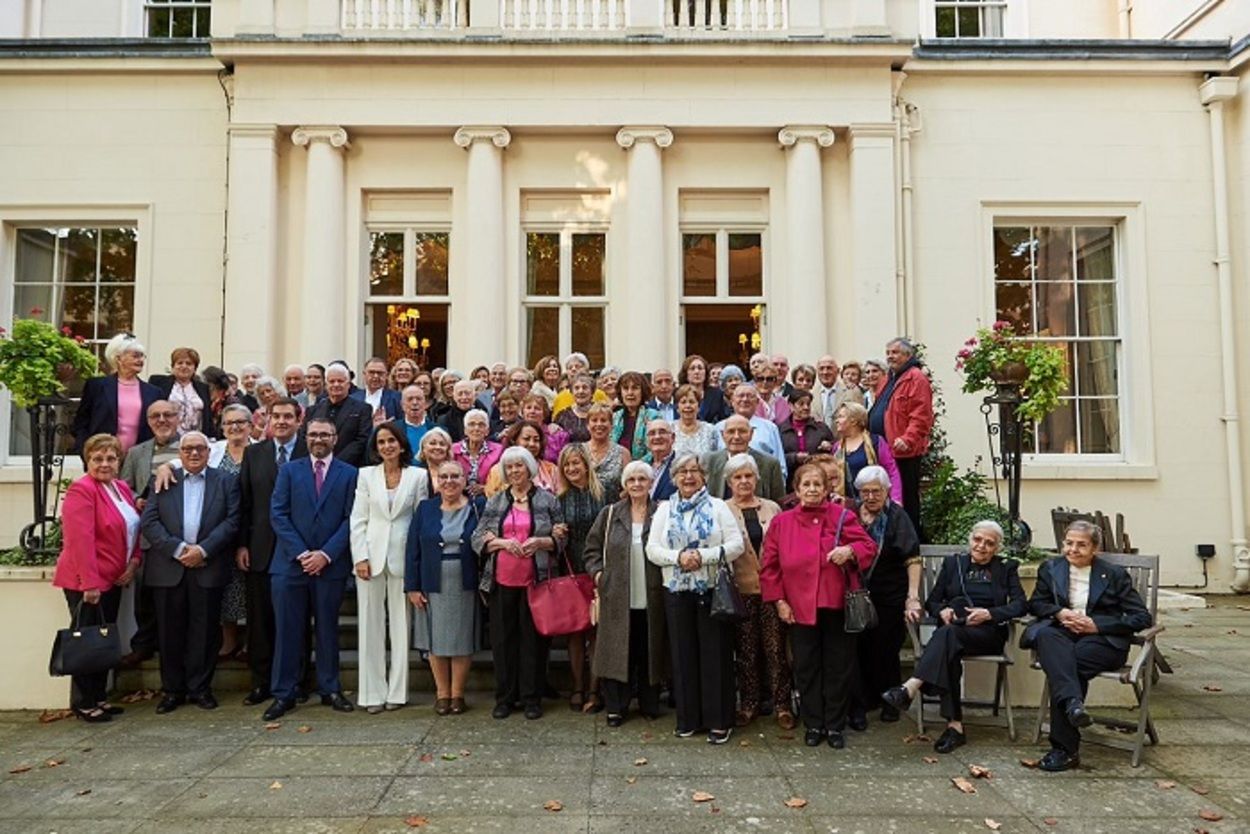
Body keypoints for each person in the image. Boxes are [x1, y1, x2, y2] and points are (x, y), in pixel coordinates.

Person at [882, 520, 1026, 753]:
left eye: (989, 543)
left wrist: (989, 613)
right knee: (949, 644)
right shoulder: (953, 564)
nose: (981, 546)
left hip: (987, 634)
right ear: (970, 539)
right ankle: (954, 727)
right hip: (954, 631)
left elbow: (1020, 605)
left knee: (946, 637)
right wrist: (943, 610)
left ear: (997, 547)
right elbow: (933, 601)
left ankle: (911, 687)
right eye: (977, 539)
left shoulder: (1006, 568)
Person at [759, 463, 876, 749]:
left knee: (839, 666)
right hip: (798, 606)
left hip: (836, 603)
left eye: (817, 484)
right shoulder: (781, 522)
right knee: (806, 666)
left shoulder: (843, 516)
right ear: (797, 490)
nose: (812, 489)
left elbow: (868, 547)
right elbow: (769, 567)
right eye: (806, 485)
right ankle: (813, 723)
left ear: (826, 489)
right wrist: (779, 601)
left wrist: (849, 550)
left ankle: (835, 725)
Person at [1026, 520, 1152, 772]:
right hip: (1063, 635)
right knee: (1048, 637)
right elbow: (1037, 604)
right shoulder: (1051, 568)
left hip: (1102, 642)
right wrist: (1060, 613)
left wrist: (1096, 625)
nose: (1073, 549)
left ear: (1095, 548)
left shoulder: (1114, 575)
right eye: (1068, 543)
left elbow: (1141, 617)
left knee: (1063, 667)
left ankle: (1064, 749)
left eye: (1081, 545)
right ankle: (1073, 705)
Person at [263, 417, 359, 721]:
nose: (319, 439)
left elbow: (352, 518)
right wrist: (304, 553)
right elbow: (278, 514)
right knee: (288, 631)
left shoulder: (349, 473)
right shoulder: (289, 471)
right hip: (290, 565)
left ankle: (330, 688)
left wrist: (326, 555)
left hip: (330, 566)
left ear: (335, 438)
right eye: (314, 434)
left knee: (328, 629)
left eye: (325, 434)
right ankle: (284, 693)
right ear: (306, 437)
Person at [139, 431, 240, 713]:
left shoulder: (226, 481)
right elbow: (149, 521)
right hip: (169, 568)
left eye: (200, 449)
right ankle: (172, 691)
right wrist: (180, 549)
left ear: (209, 452)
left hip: (208, 566)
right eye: (188, 449)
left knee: (205, 633)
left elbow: (233, 521)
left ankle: (200, 689)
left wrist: (203, 550)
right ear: (179, 454)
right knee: (169, 633)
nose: (194, 453)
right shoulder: (163, 479)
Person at [646, 453, 744, 744]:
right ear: (674, 478)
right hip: (677, 591)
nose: (688, 477)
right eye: (682, 472)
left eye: (694, 471)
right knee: (683, 655)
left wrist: (703, 556)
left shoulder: (718, 507)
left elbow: (736, 545)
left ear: (704, 476)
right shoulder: (664, 509)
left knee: (716, 655)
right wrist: (679, 557)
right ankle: (689, 719)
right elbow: (652, 549)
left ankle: (719, 721)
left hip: (712, 590)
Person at [52, 434, 141, 722]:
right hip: (87, 582)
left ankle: (99, 696)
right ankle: (83, 702)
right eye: (97, 458)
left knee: (103, 640)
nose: (104, 464)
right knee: (86, 641)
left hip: (114, 579)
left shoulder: (121, 488)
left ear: (119, 461)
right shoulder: (82, 490)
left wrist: (133, 563)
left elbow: (133, 528)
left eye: (110, 458)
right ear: (87, 460)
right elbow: (80, 541)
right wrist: (89, 583)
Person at [473, 447, 566, 720]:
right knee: (503, 641)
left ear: (529, 468)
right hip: (501, 580)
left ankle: (531, 698)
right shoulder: (496, 501)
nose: (514, 471)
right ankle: (505, 697)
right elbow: (477, 538)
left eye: (519, 466)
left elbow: (562, 537)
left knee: (533, 642)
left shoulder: (548, 500)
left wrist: (542, 541)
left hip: (536, 581)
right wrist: (501, 543)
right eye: (509, 467)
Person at [349, 422, 427, 714]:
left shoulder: (418, 476)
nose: (387, 446)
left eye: (391, 441)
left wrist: (416, 562)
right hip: (370, 557)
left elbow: (420, 522)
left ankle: (397, 691)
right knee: (369, 626)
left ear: (402, 444)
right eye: (381, 442)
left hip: (403, 558)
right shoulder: (365, 475)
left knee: (401, 626)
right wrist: (360, 557)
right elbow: (358, 519)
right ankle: (372, 693)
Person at [235, 397, 307, 706]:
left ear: (298, 420)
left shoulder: (309, 450)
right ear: (267, 420)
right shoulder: (254, 453)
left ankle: (297, 681)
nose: (281, 421)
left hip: (299, 549)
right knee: (260, 621)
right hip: (260, 548)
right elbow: (244, 501)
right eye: (275, 416)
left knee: (297, 619)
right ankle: (261, 682)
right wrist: (242, 543)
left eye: (287, 416)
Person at [585, 461, 667, 727]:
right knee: (616, 651)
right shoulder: (610, 514)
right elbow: (591, 550)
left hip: (652, 595)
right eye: (631, 480)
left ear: (651, 483)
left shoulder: (661, 513)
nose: (637, 484)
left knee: (649, 650)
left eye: (642, 479)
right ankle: (615, 707)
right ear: (624, 484)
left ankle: (649, 703)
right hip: (617, 595)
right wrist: (599, 575)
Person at [407, 461, 483, 716]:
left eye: (455, 476)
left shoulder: (477, 507)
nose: (449, 481)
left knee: (462, 638)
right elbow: (412, 549)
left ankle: (458, 694)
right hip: (432, 582)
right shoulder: (425, 508)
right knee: (435, 639)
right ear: (437, 481)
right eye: (444, 477)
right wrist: (412, 586)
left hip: (465, 582)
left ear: (465, 480)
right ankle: (442, 694)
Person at [723, 453, 792, 729]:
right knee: (746, 651)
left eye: (748, 476)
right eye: (738, 477)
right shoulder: (722, 509)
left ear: (757, 479)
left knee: (776, 649)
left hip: (772, 590)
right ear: (729, 481)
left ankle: (782, 704)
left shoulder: (772, 508)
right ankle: (749, 703)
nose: (744, 481)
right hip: (740, 591)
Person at [849, 466, 921, 729]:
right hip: (857, 593)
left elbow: (912, 558)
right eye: (865, 491)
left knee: (886, 648)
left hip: (890, 592)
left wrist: (912, 597)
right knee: (860, 647)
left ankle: (890, 701)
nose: (870, 497)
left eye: (876, 491)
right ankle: (866, 699)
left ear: (887, 490)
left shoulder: (897, 516)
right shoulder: (852, 514)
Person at [116, 400, 183, 668]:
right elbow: (123, 487)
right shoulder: (137, 452)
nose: (162, 420)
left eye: (168, 415)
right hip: (148, 534)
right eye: (155, 416)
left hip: (183, 534)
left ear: (178, 418)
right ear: (148, 421)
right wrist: (136, 500)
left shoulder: (192, 446)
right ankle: (143, 645)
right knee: (145, 593)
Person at [555, 443, 608, 712]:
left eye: (576, 463)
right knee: (575, 630)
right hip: (571, 569)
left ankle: (595, 690)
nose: (571, 468)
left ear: (587, 464)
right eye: (566, 465)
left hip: (599, 568)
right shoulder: (559, 498)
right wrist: (555, 531)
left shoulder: (604, 493)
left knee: (597, 630)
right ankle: (577, 686)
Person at [209, 403, 254, 658]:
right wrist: (166, 467)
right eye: (229, 423)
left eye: (240, 422)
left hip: (251, 528)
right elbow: (182, 459)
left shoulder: (261, 450)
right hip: (220, 529)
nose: (234, 427)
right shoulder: (213, 450)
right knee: (226, 586)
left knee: (250, 587)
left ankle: (250, 640)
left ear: (250, 425)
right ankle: (228, 640)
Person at [72, 332, 162, 454]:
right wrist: (85, 451)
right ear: (118, 359)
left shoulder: (154, 392)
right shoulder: (96, 386)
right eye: (135, 356)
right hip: (102, 456)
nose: (140, 360)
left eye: (142, 356)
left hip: (139, 458)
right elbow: (81, 423)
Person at [715, 383, 787, 485]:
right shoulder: (719, 428)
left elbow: (780, 466)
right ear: (732, 401)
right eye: (741, 396)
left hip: (761, 486)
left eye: (750, 396)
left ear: (757, 402)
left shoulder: (770, 428)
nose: (745, 399)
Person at [303, 363, 372, 467]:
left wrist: (334, 463)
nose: (336, 384)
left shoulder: (363, 409)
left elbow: (361, 440)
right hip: (316, 466)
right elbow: (305, 437)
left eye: (340, 381)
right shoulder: (313, 410)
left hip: (349, 466)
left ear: (348, 384)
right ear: (326, 385)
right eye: (332, 381)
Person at [704, 415, 785, 503]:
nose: (736, 437)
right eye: (731, 432)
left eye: (742, 431)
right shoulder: (709, 462)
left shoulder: (770, 464)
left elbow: (779, 503)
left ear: (751, 434)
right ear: (723, 435)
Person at [833, 402, 902, 504]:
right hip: (846, 504)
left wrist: (896, 499)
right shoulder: (837, 447)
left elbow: (891, 470)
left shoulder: (876, 442)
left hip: (874, 501)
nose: (837, 421)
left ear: (854, 421)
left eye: (841, 417)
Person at [484, 420, 562, 496]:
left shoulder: (551, 470)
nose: (532, 444)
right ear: (514, 441)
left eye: (536, 440)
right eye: (526, 439)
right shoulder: (498, 471)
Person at [149, 347, 213, 437]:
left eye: (189, 363)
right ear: (173, 366)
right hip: (167, 437)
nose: (184, 366)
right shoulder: (159, 383)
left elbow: (208, 418)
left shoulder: (203, 388)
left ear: (195, 368)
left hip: (195, 438)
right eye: (180, 363)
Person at [778, 389, 834, 488]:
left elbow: (834, 450)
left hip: (817, 479)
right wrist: (794, 457)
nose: (806, 407)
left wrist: (829, 446)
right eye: (801, 404)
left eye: (808, 404)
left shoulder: (821, 428)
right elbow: (777, 457)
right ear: (791, 406)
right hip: (790, 481)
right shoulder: (780, 430)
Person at [453, 409, 503, 499]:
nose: (476, 428)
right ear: (465, 430)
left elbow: (502, 481)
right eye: (472, 424)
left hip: (488, 499)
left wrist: (485, 488)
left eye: (481, 425)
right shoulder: (453, 450)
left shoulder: (499, 450)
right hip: (458, 498)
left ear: (487, 431)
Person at [584, 402, 629, 502]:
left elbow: (629, 485)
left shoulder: (623, 453)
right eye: (594, 420)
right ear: (587, 425)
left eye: (603, 420)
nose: (599, 424)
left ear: (611, 425)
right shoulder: (579, 451)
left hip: (614, 507)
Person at [612, 371, 659, 460]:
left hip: (643, 466)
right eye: (625, 388)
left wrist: (635, 466)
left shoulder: (654, 416)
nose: (630, 392)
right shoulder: (614, 417)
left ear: (643, 391)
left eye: (635, 388)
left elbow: (656, 449)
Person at [671, 384, 719, 460]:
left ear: (699, 406)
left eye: (692, 402)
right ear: (677, 407)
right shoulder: (670, 429)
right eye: (683, 402)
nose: (687, 406)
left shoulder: (710, 430)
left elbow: (715, 458)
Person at [352, 357, 403, 424]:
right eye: (371, 372)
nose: (376, 376)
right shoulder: (353, 398)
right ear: (364, 374)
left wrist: (387, 426)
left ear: (386, 375)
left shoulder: (397, 398)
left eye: (380, 373)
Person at [520, 393, 568, 465]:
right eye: (528, 408)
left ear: (544, 413)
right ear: (523, 412)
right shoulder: (515, 433)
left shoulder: (557, 435)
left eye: (537, 408)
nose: (532, 411)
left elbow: (564, 461)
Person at [678, 354, 727, 423]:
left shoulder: (717, 394)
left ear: (706, 373)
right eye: (692, 368)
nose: (697, 372)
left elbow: (723, 419)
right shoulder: (678, 394)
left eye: (700, 368)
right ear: (686, 373)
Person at [642, 419, 678, 501]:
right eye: (652, 433)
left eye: (662, 432)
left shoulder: (681, 466)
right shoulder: (641, 466)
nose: (657, 437)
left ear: (673, 438)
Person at [554, 374, 596, 442]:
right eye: (576, 388)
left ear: (592, 392)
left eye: (585, 387)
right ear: (572, 392)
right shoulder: (562, 416)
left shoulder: (601, 412)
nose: (581, 391)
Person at [438, 378, 480, 443]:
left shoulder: (483, 416)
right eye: (460, 394)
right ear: (454, 397)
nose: (464, 397)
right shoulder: (444, 420)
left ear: (474, 396)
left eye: (467, 393)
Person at [400, 383, 434, 459]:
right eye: (410, 399)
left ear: (425, 404)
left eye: (419, 399)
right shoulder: (393, 429)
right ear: (402, 405)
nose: (415, 403)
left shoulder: (438, 430)